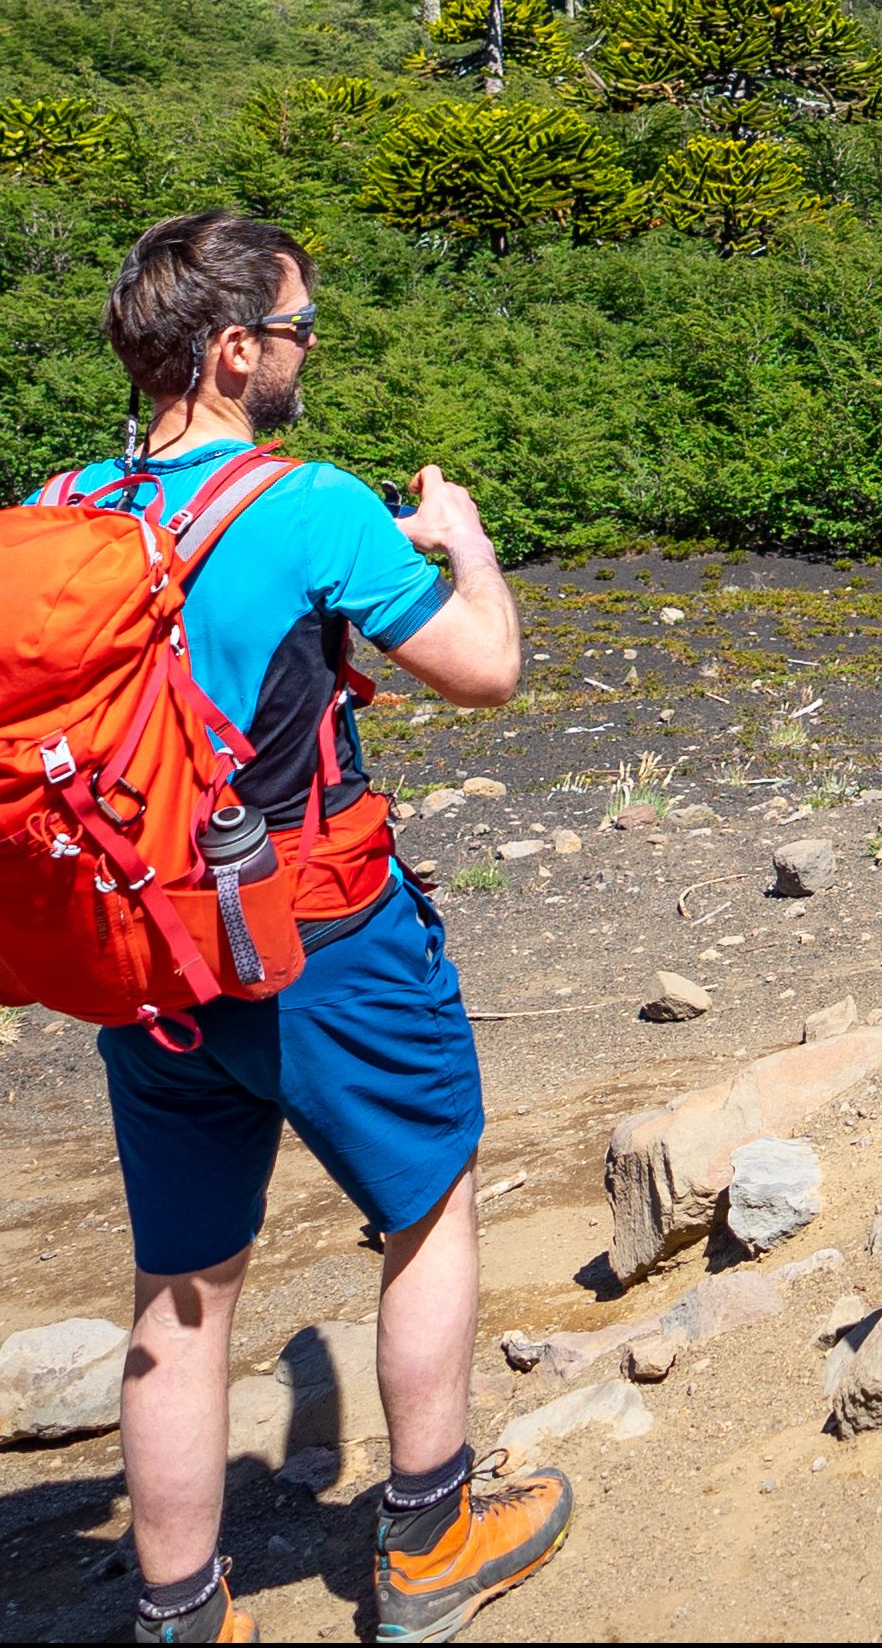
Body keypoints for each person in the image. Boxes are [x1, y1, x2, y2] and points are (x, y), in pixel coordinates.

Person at [74, 213, 574, 1645]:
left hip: (144, 956)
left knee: (182, 1282)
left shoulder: (69, 508)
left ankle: (181, 1612)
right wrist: (466, 545)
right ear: (234, 350)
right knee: (427, 1207)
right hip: (316, 941)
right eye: (296, 327)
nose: (306, 349)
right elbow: (483, 670)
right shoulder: (303, 505)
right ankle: (428, 1542)